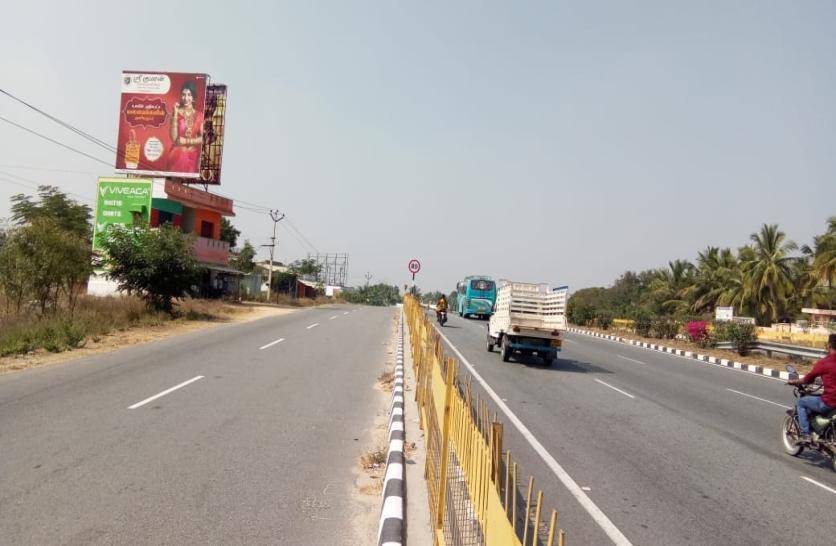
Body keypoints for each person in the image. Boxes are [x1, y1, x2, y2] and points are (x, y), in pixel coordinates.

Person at [788, 333, 836, 442]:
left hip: (829, 402)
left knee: (801, 402)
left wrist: (794, 381)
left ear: (829, 346)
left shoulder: (824, 363)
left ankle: (805, 434)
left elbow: (808, 379)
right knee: (818, 397)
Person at [168, 81, 203, 174]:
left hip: (192, 157)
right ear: (180, 96)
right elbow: (174, 138)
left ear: (193, 97)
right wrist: (175, 113)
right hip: (177, 156)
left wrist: (187, 141)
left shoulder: (199, 115)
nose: (186, 98)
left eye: (189, 95)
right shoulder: (176, 113)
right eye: (183, 95)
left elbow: (205, 138)